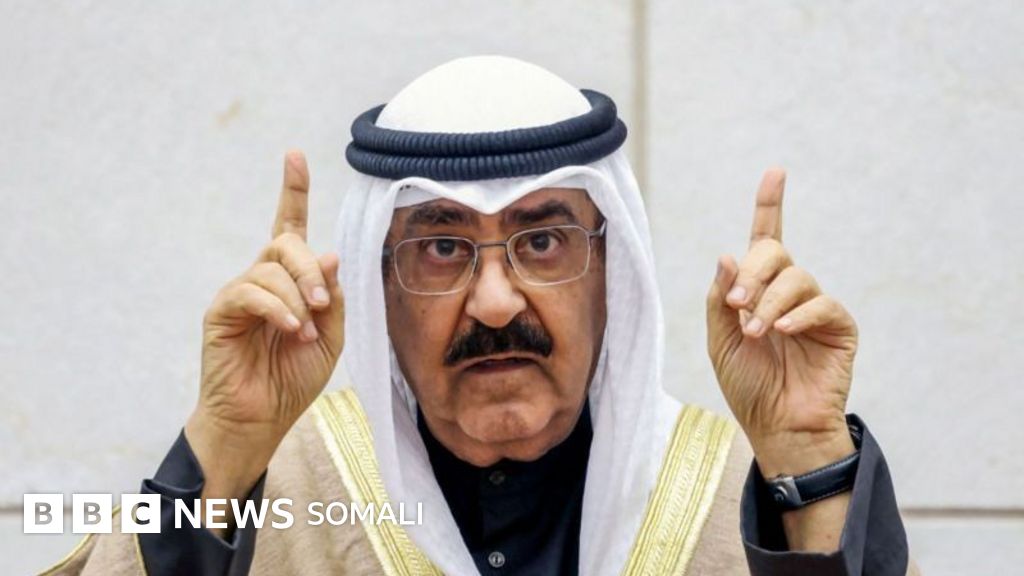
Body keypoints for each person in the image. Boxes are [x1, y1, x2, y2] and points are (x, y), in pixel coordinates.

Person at [43, 56, 918, 575]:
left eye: (543, 242)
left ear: (611, 273)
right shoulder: (288, 486)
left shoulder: (730, 491)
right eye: (440, 246)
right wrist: (224, 446)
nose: (495, 301)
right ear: (380, 286)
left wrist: (808, 461)